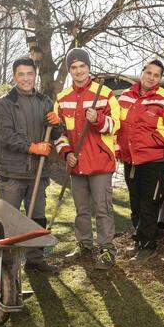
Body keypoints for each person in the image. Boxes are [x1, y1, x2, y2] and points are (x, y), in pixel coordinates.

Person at [0, 56, 64, 273]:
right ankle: (6, 263)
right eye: (21, 74)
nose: (26, 78)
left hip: (38, 173)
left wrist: (57, 124)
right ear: (14, 76)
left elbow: (55, 134)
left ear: (35, 75)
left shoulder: (45, 102)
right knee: (9, 221)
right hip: (12, 174)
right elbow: (6, 135)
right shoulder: (4, 103)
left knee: (37, 218)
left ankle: (35, 259)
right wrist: (32, 147)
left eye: (30, 74)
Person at [54, 48, 121, 270]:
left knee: (102, 209)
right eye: (73, 67)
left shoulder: (106, 94)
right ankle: (84, 245)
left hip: (100, 164)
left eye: (82, 66)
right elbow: (59, 133)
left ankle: (107, 250)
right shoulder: (62, 99)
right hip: (76, 164)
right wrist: (66, 153)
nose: (78, 71)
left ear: (88, 67)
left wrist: (98, 119)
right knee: (81, 210)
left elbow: (116, 126)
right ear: (69, 70)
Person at [115, 59, 164, 261]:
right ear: (142, 72)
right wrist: (117, 151)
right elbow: (118, 128)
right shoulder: (126, 97)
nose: (151, 77)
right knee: (135, 202)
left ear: (160, 78)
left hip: (155, 160)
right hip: (130, 160)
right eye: (149, 73)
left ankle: (148, 245)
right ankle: (139, 239)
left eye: (156, 75)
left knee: (150, 203)